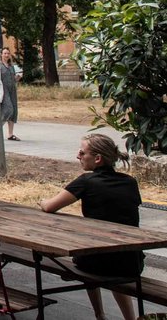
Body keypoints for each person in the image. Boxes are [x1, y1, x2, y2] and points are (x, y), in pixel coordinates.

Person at [40, 134, 143, 320]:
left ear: (97, 158)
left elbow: (50, 206)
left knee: (90, 253)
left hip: (96, 263)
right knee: (111, 258)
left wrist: (41, 201)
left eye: (81, 152)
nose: (78, 156)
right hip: (132, 263)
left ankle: (99, 315)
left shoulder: (86, 181)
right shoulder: (130, 182)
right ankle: (130, 318)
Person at [0, 47, 20, 141]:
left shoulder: (11, 66)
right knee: (8, 109)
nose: (7, 55)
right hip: (4, 90)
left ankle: (10, 134)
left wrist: (17, 77)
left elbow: (13, 79)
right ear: (1, 54)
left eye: (8, 53)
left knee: (13, 111)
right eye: (5, 53)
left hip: (12, 90)